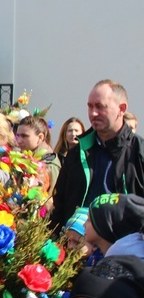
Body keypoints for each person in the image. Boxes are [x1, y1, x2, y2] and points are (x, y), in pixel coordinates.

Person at [51, 80, 144, 233]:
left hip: (124, 249)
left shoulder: (138, 152)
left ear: (122, 109)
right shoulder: (77, 153)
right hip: (77, 248)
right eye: (90, 106)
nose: (93, 113)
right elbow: (60, 202)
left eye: (100, 107)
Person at [84, 193, 144, 259]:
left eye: (89, 220)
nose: (84, 224)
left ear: (105, 226)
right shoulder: (95, 258)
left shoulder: (121, 258)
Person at [15, 116, 61, 194]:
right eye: (18, 136)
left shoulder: (49, 163)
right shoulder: (23, 158)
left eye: (24, 136)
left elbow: (53, 196)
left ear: (40, 137)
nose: (19, 141)